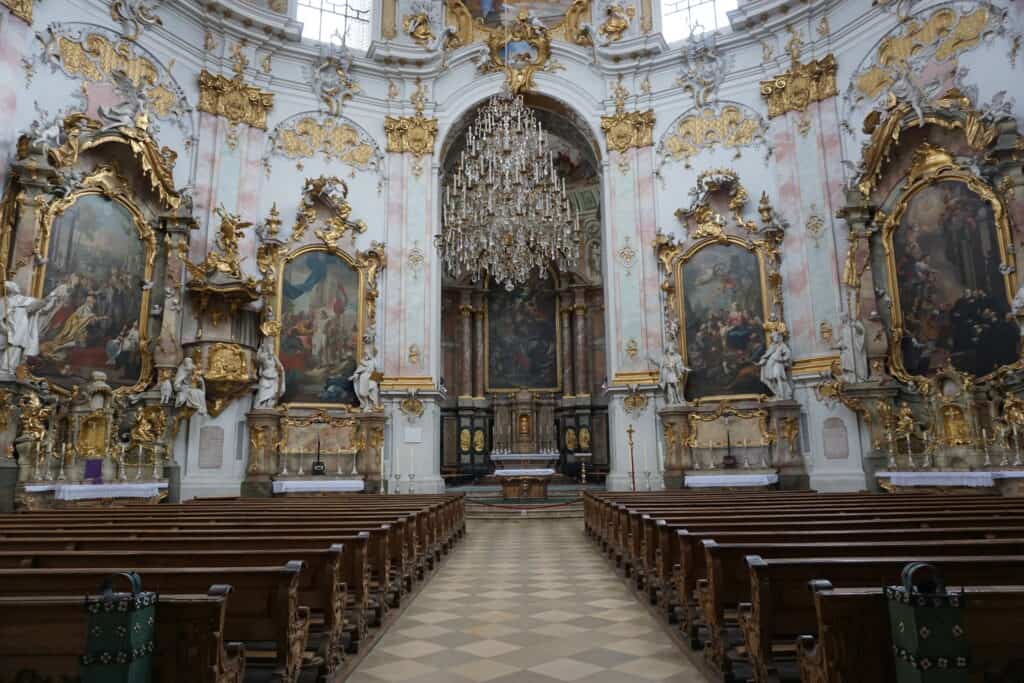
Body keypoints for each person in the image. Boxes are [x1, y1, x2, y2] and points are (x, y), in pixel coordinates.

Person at [0, 281, 50, 376]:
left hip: (19, 330)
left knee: (15, 348)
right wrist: (6, 330)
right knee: (7, 348)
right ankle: (5, 370)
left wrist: (48, 299)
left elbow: (38, 305)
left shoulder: (24, 300)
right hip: (7, 331)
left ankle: (7, 370)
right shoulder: (3, 301)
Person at [757, 331, 793, 400]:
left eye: (775, 337)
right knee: (769, 380)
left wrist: (781, 359)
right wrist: (762, 362)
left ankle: (782, 396)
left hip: (777, 364)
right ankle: (777, 393)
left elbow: (788, 354)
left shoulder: (782, 345)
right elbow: (767, 355)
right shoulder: (772, 346)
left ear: (779, 337)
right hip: (769, 365)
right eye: (772, 337)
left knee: (778, 378)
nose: (774, 338)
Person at [254, 338, 286, 409]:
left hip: (273, 377)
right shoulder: (263, 356)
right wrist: (261, 349)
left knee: (272, 393)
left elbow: (280, 366)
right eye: (269, 345)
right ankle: (261, 404)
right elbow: (258, 359)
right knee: (262, 391)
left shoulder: (274, 357)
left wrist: (280, 370)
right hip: (265, 376)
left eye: (272, 345)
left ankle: (268, 404)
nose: (270, 347)